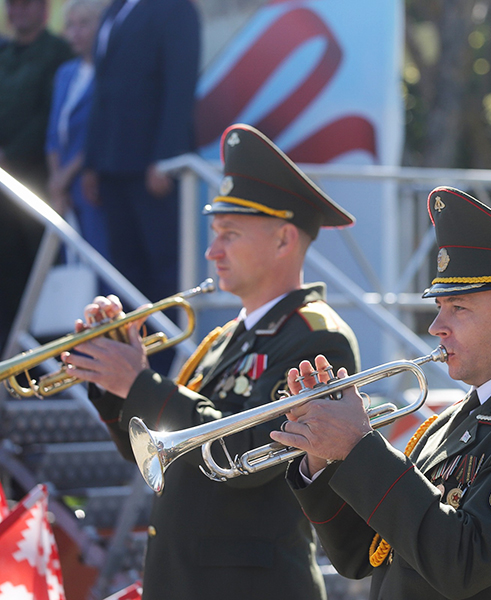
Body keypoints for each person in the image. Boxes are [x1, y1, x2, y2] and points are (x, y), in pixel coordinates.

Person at [62, 124, 360, 600]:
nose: (211, 250)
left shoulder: (316, 338)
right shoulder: (226, 339)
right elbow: (160, 452)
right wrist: (115, 376)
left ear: (284, 240)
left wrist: (139, 381)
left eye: (229, 233)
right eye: (214, 233)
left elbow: (248, 455)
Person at [271, 186, 491, 600]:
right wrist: (323, 453)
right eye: (439, 307)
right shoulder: (445, 424)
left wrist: (359, 446)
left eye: (459, 308)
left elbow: (463, 564)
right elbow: (360, 556)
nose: (436, 327)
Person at [81, 0, 199, 304]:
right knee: (124, 272)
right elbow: (102, 90)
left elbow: (180, 86)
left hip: (150, 167)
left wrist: (165, 159)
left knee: (163, 266)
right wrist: (92, 162)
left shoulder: (176, 8)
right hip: (111, 165)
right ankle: (130, 347)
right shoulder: (113, 11)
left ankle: (166, 349)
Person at [0, 0, 71, 347]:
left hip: (39, 188)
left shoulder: (59, 54)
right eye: (13, 5)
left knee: (42, 277)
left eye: (27, 5)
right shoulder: (4, 53)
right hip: (4, 192)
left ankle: (46, 367)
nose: (18, 11)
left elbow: (51, 118)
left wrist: (10, 154)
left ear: (44, 10)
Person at [46, 0, 109, 259]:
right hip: (63, 190)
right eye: (70, 25)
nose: (75, 32)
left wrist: (65, 176)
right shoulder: (65, 73)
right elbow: (53, 134)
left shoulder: (108, 72)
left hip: (91, 184)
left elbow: (97, 132)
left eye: (84, 24)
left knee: (100, 258)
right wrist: (56, 181)